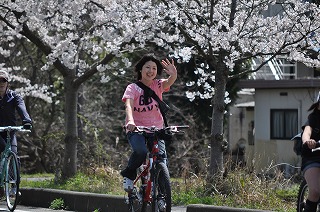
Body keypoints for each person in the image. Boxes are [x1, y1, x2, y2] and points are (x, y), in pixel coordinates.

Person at [120, 54, 177, 191]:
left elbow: (169, 82)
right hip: (136, 129)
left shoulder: (158, 85)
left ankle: (163, 195)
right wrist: (131, 121)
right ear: (140, 69)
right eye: (147, 67)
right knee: (140, 152)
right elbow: (129, 105)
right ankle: (129, 175)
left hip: (156, 129)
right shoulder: (132, 88)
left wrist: (173, 74)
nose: (151, 71)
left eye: (154, 68)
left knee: (161, 160)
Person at [0, 70, 32, 157]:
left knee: (14, 154)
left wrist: (27, 121)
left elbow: (21, 107)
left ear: (7, 83)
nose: (1, 83)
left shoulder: (14, 96)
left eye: (4, 81)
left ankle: (14, 170)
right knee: (2, 146)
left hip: (10, 132)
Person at [301, 92, 320, 212]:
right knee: (315, 191)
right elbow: (306, 133)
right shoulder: (313, 118)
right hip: (313, 158)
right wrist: (308, 141)